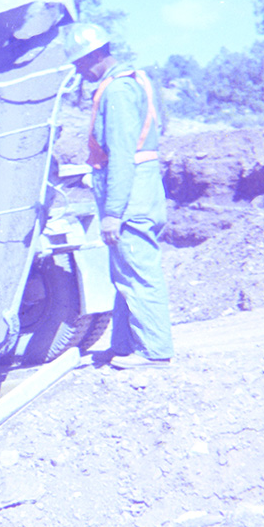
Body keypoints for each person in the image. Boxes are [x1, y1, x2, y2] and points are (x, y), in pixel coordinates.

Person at [63, 22, 174, 369]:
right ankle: (124, 344)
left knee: (138, 272)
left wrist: (113, 212)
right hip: (140, 188)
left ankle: (154, 351)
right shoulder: (131, 82)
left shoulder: (117, 91)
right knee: (124, 272)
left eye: (80, 62)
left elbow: (123, 154)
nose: (78, 71)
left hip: (130, 194)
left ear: (96, 55)